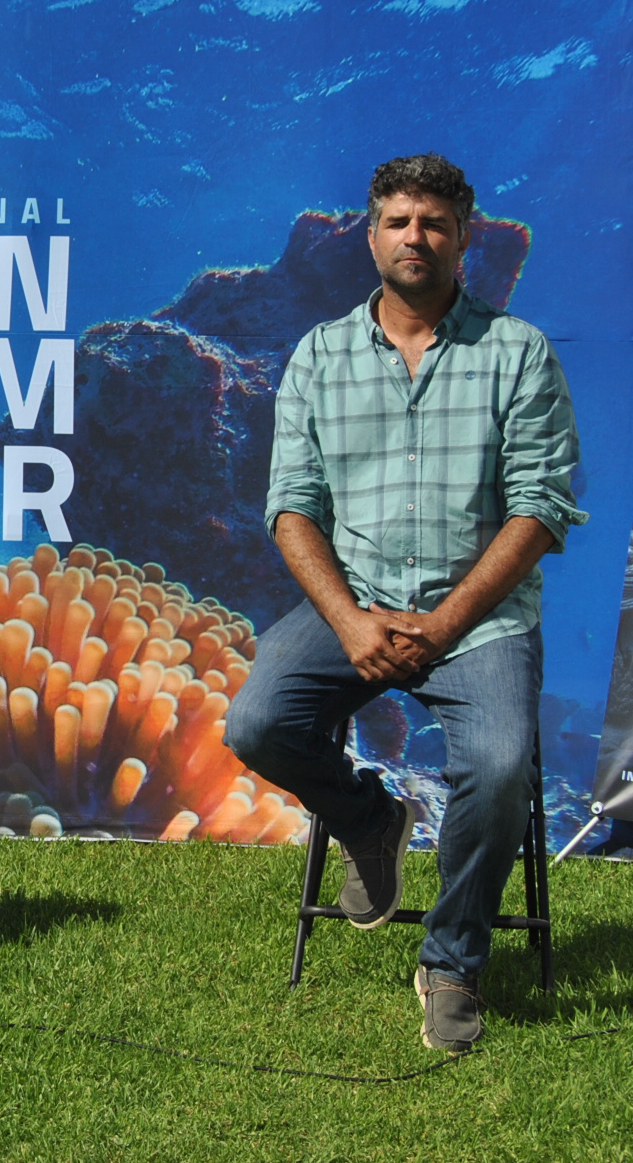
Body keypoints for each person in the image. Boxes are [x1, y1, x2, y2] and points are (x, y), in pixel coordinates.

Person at [226, 154, 585, 1052]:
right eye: (397, 221)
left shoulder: (518, 354)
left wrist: (446, 625)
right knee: (256, 725)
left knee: (500, 767)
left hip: (479, 621)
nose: (414, 237)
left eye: (432, 222)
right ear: (371, 236)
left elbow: (541, 509)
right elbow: (291, 506)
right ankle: (369, 818)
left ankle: (453, 959)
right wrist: (350, 622)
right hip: (355, 604)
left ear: (463, 236)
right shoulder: (319, 356)